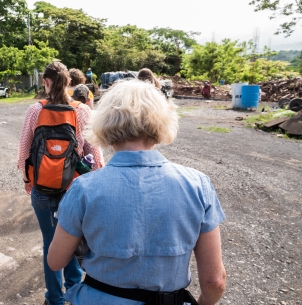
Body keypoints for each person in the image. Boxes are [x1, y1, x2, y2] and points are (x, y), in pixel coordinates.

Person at [47, 79, 226, 305]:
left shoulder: (84, 189)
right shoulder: (198, 185)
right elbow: (214, 281)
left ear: (104, 123)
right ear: (161, 123)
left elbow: (55, 261)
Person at [17, 62, 104, 305]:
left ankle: (54, 299)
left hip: (42, 187)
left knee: (50, 243)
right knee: (73, 239)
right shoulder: (82, 111)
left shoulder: (36, 110)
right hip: (74, 188)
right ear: (69, 83)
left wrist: (27, 180)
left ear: (45, 82)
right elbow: (94, 153)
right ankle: (74, 292)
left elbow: (24, 150)